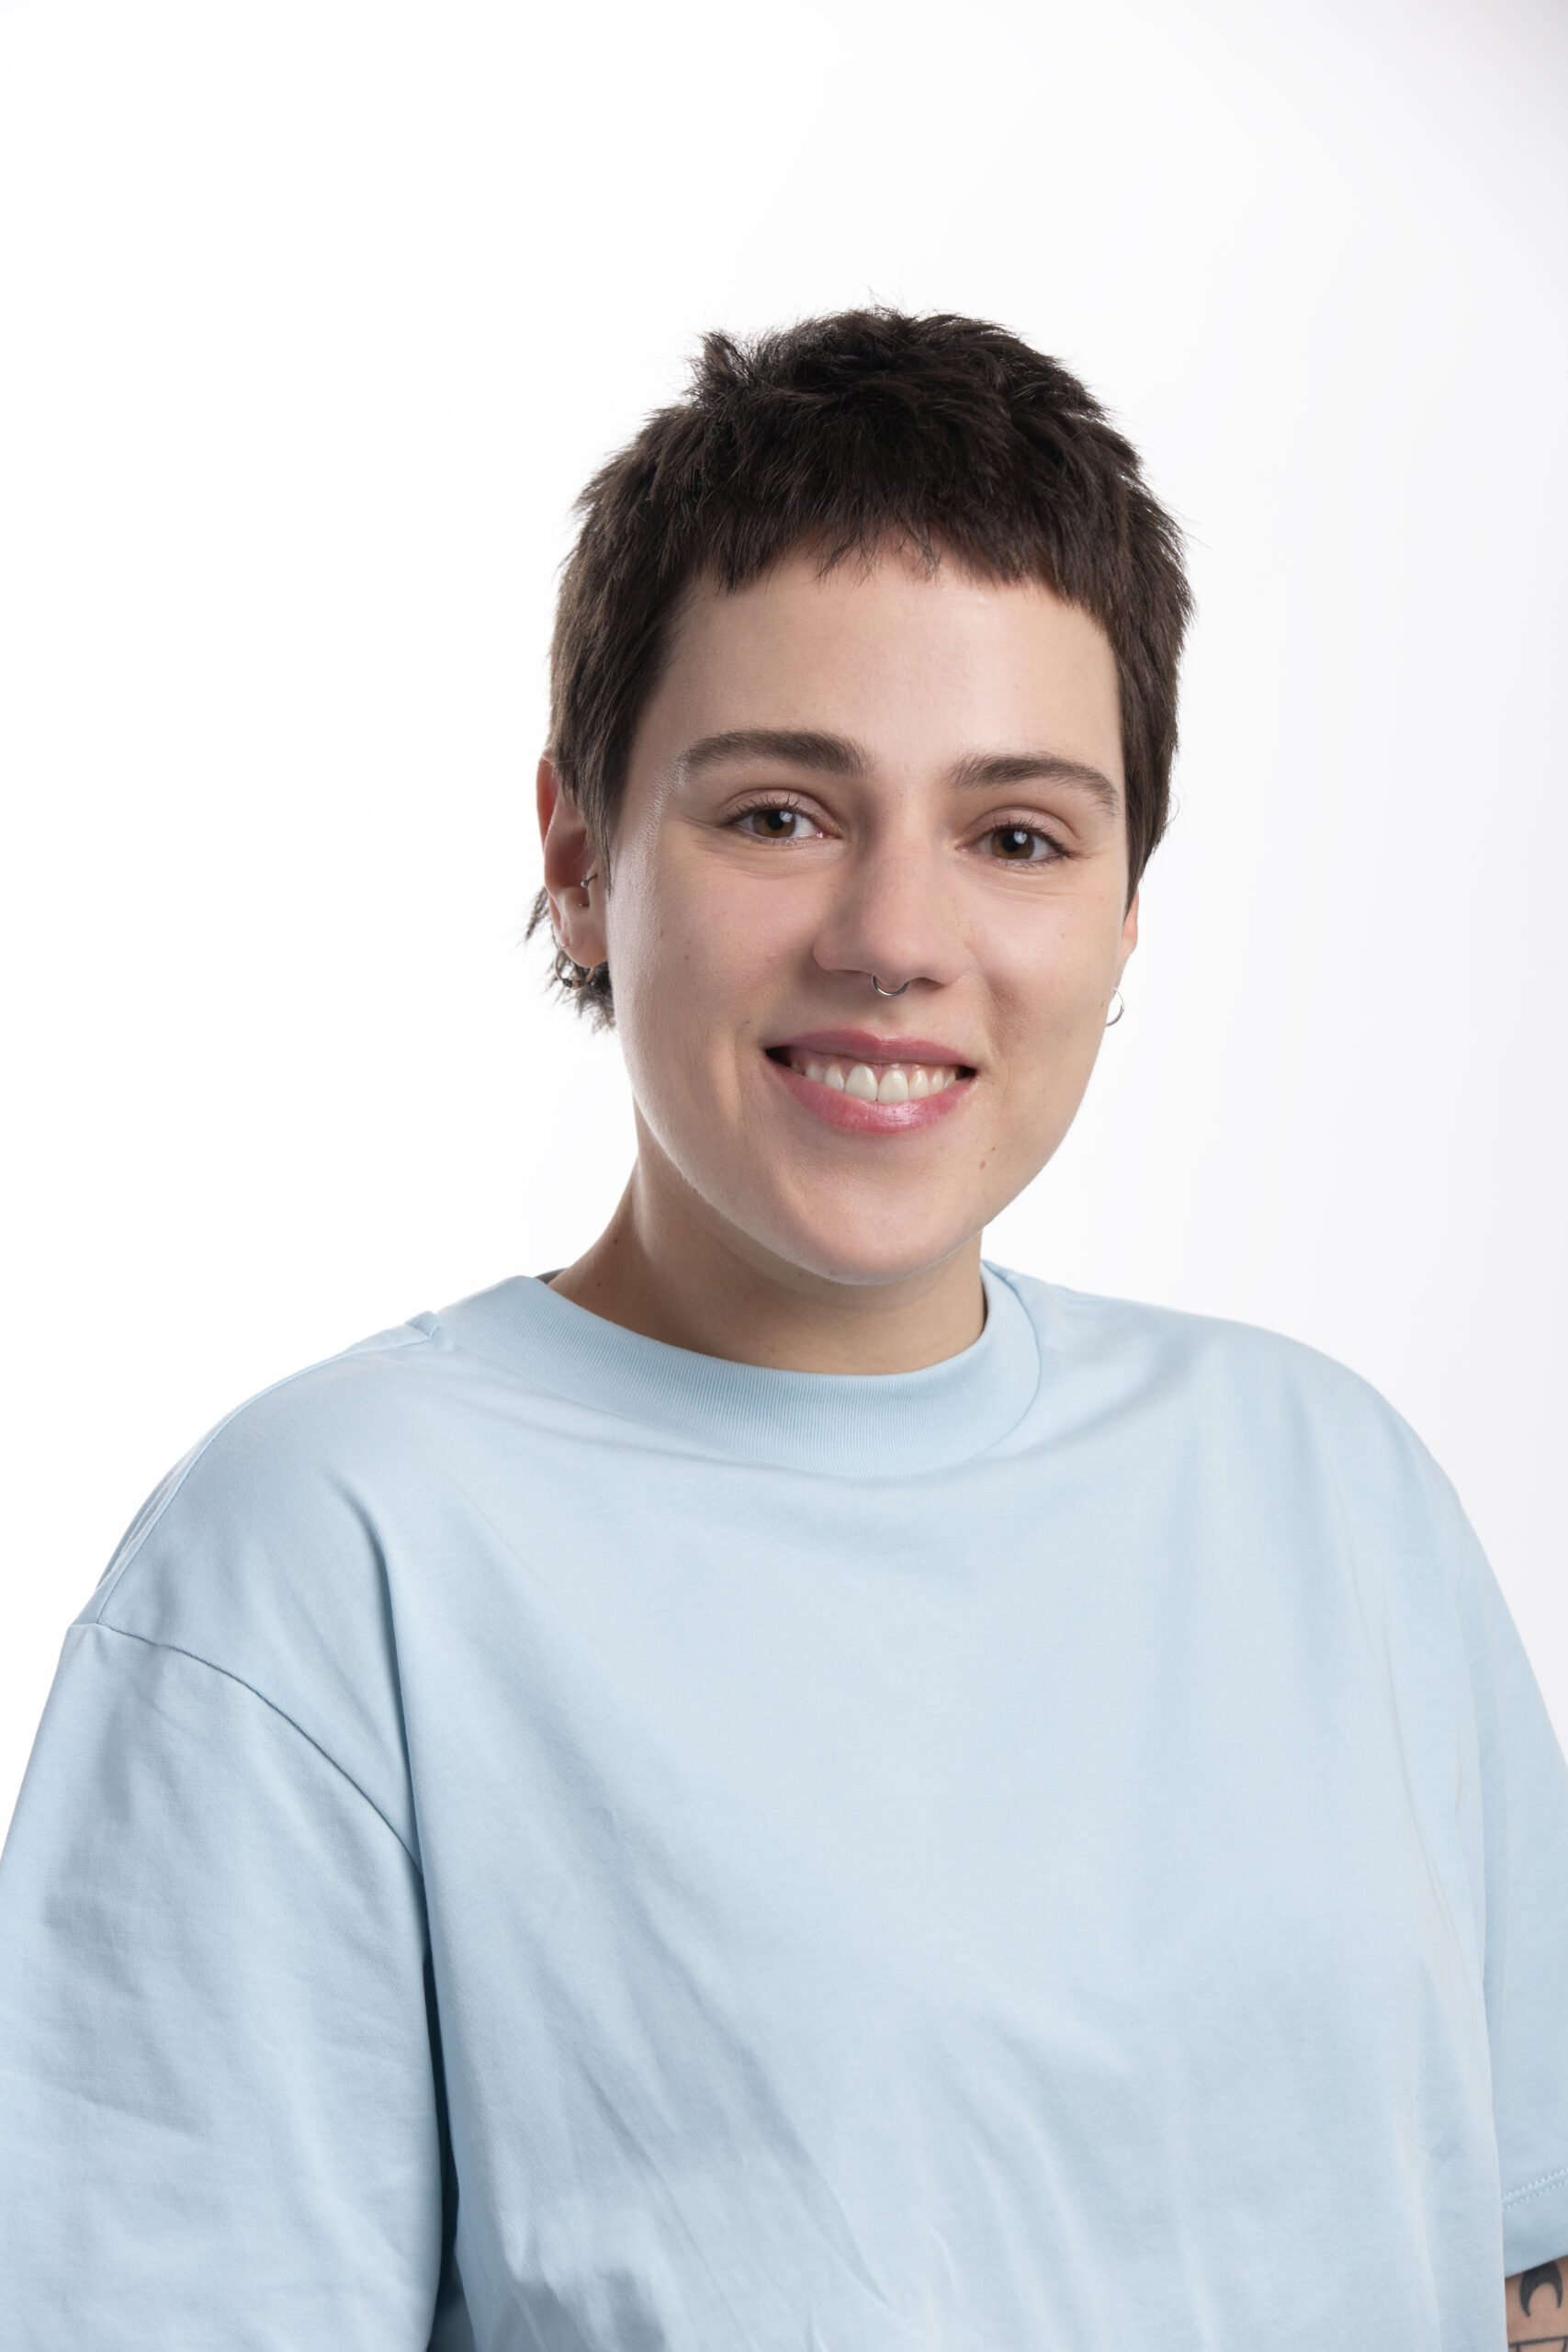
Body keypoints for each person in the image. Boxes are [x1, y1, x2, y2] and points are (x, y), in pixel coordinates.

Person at [0, 310, 1563, 2352]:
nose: (894, 939)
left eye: (1015, 835)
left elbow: (1524, 2275)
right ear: (581, 857)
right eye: (777, 813)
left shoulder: (1328, 1488)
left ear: (1123, 906)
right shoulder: (322, 1561)